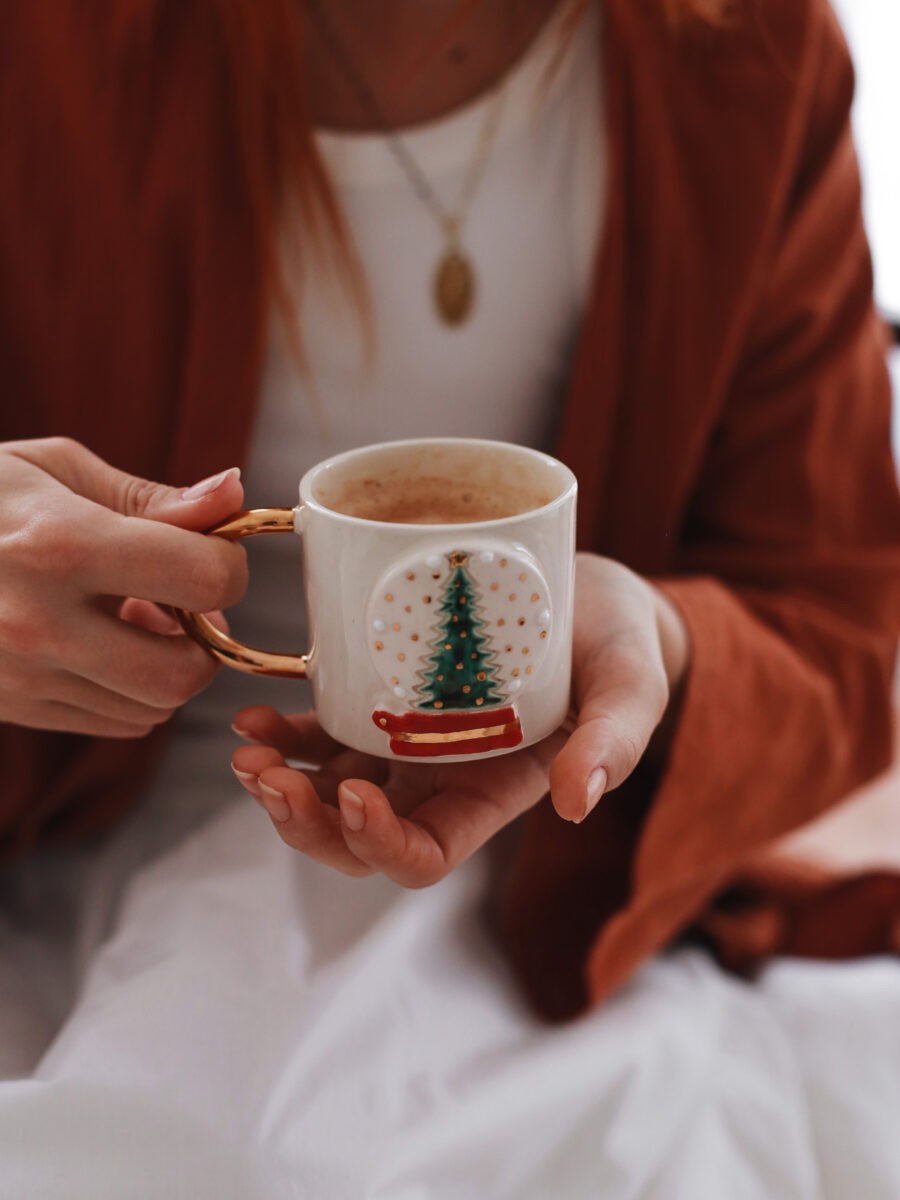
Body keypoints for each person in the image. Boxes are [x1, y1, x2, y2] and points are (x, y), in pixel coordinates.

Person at [0, 0, 898, 1111]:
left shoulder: (750, 50)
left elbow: (837, 625)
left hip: (547, 895)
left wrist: (658, 632)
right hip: (53, 854)